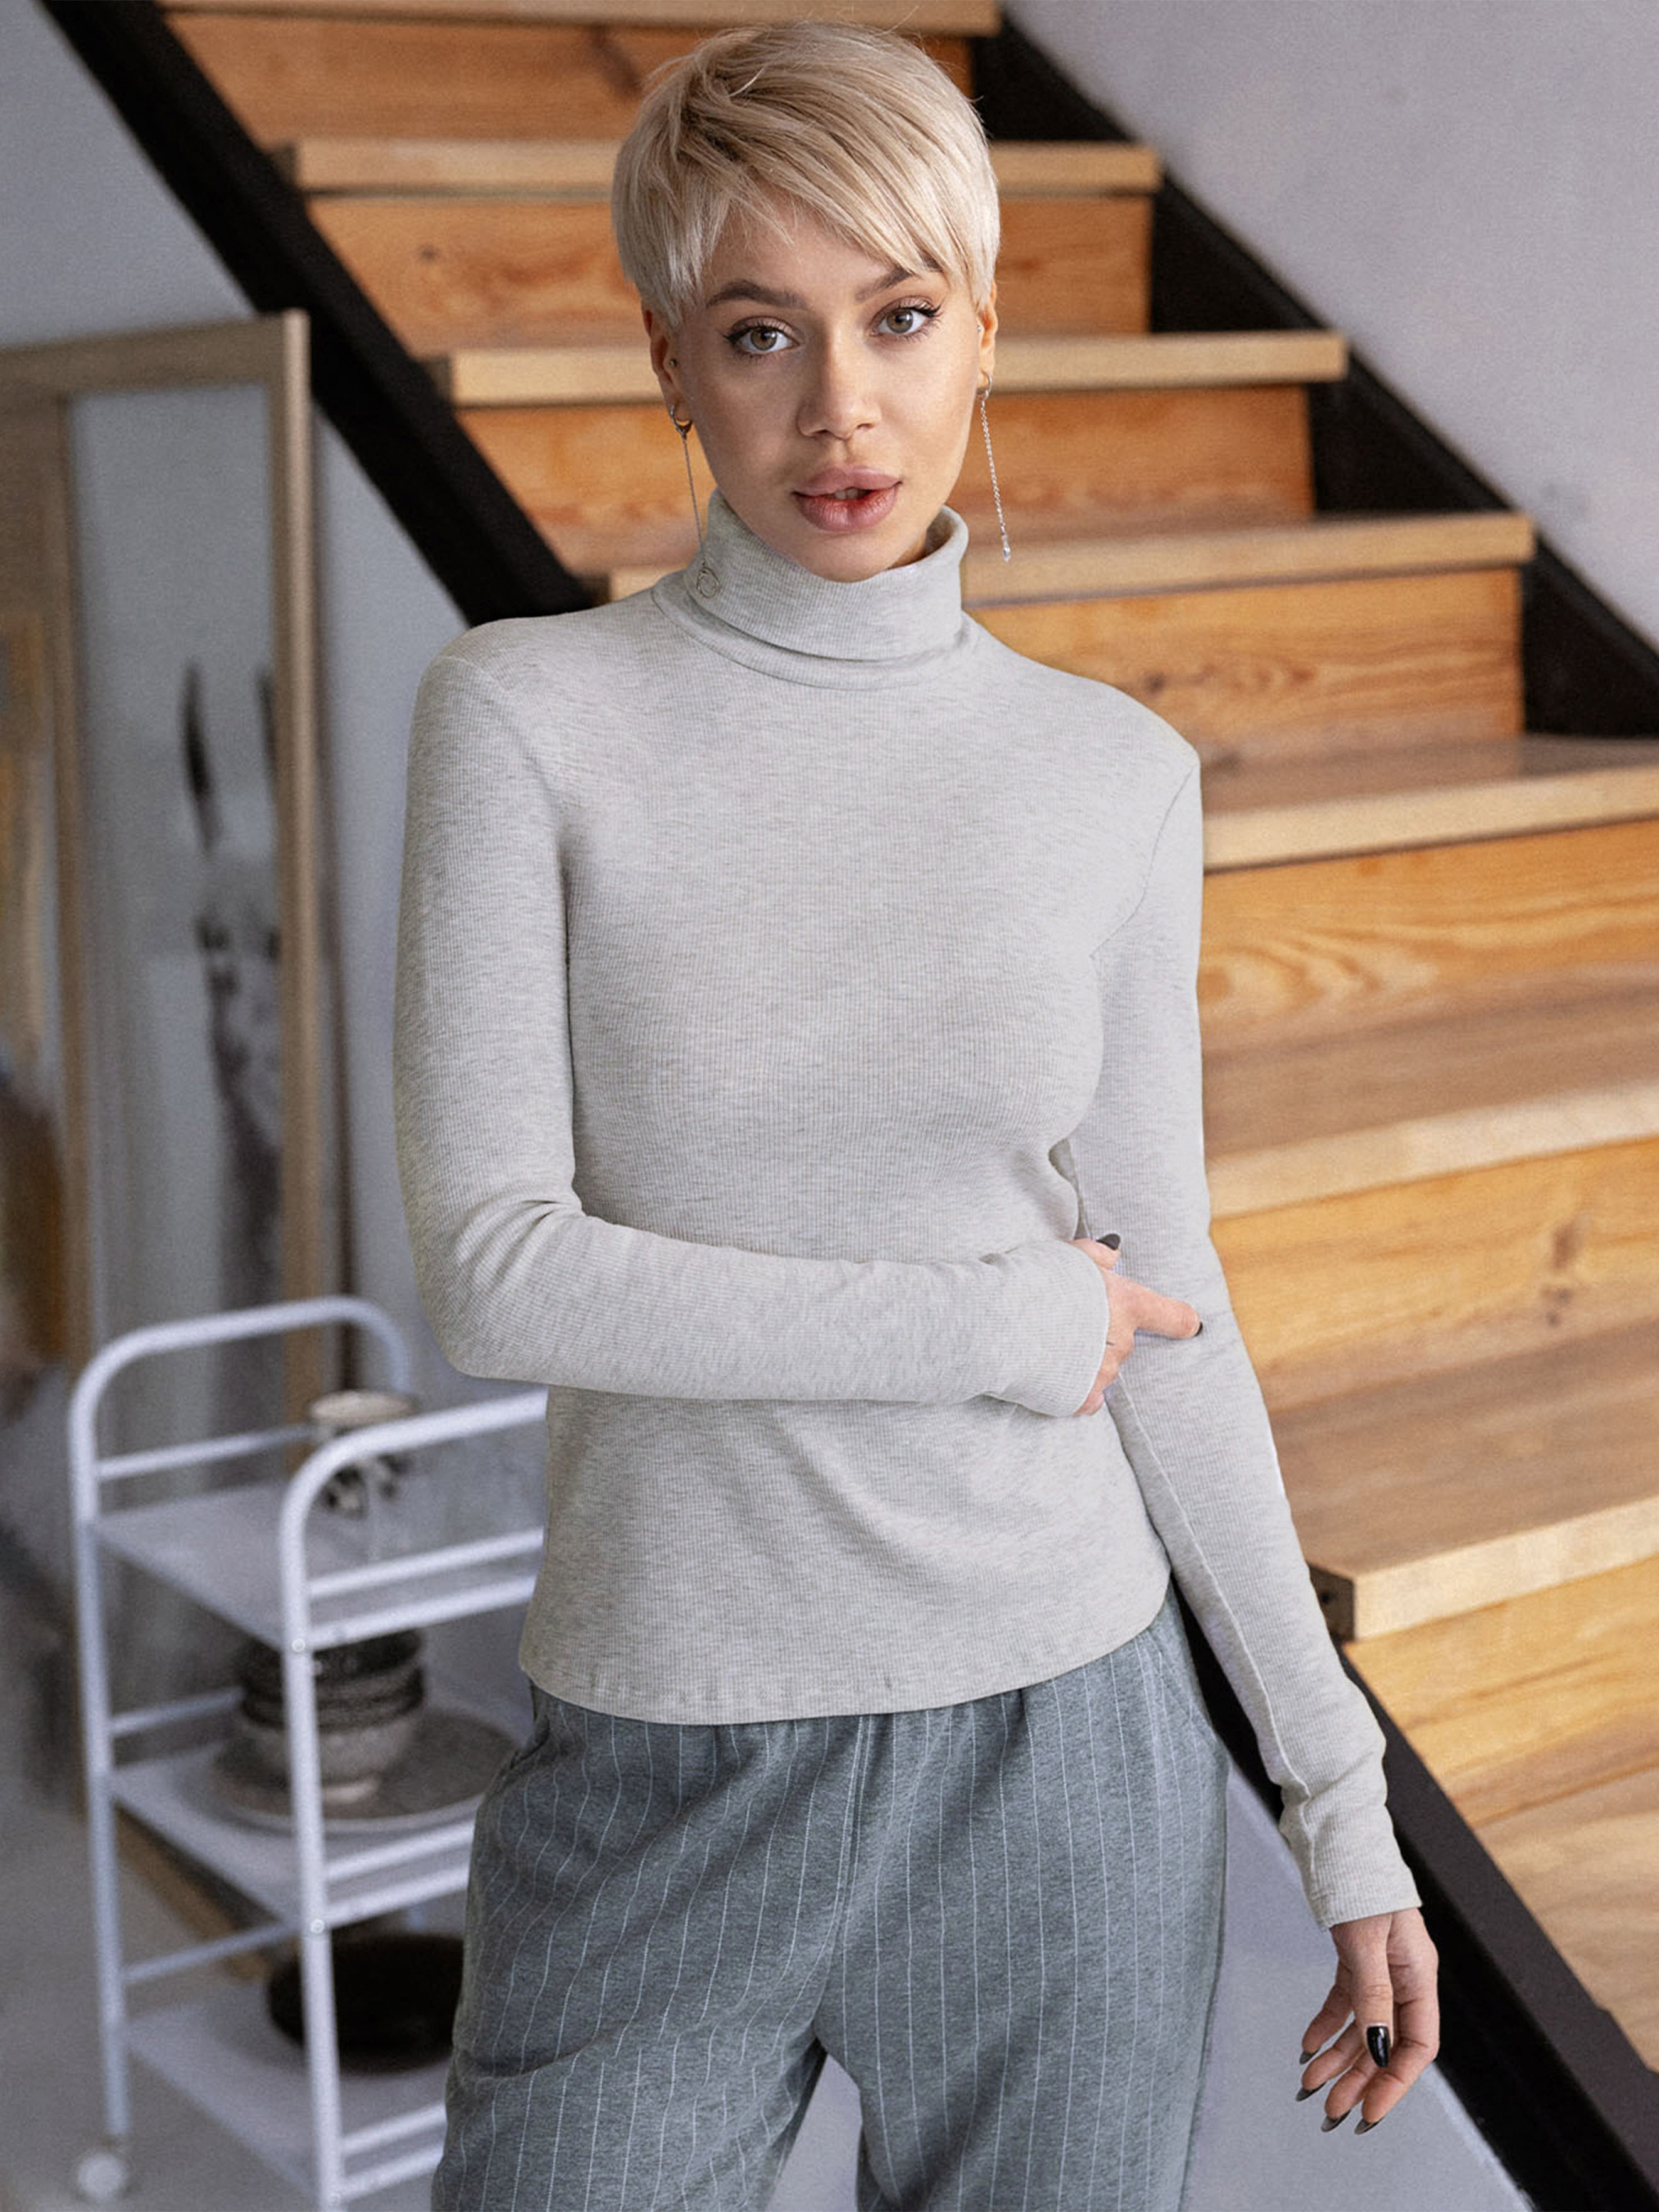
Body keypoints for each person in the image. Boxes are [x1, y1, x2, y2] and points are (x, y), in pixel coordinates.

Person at [392, 22, 1439, 2209]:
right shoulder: (526, 716)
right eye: (758, 332)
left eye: (895, 318)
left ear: (982, 334)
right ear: (670, 362)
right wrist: (992, 1318)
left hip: (1068, 1749)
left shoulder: (1113, 774)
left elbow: (1169, 1303)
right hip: (663, 1744)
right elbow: (498, 1275)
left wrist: (1341, 1803)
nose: (838, 411)